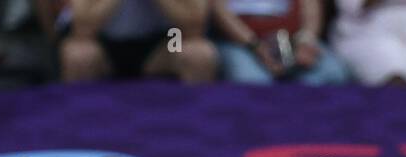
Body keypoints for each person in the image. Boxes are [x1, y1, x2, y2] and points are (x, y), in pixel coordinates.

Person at [56, 0, 218, 83]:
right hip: (105, 43)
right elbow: (82, 28)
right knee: (79, 56)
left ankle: (197, 127)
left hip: (165, 42)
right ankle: (80, 132)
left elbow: (195, 26)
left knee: (199, 55)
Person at [211, 0, 351, 85]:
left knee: (332, 74)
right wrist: (257, 47)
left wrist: (305, 41)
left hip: (294, 40)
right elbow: (220, 12)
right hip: (242, 44)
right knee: (253, 82)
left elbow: (311, 7)